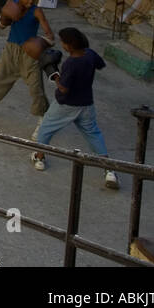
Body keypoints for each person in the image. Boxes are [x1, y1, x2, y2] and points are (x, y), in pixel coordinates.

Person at [30, 28, 118, 189]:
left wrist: (54, 74)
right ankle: (109, 170)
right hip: (86, 104)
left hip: (66, 105)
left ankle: (40, 158)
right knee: (94, 135)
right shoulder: (90, 54)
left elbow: (63, 88)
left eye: (63, 42)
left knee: (45, 129)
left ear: (69, 45)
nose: (62, 45)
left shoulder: (71, 63)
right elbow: (101, 64)